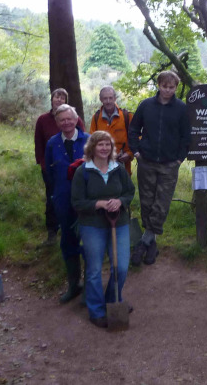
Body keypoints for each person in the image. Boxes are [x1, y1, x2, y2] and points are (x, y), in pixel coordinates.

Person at [71, 131, 135, 328]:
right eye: (100, 145)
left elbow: (129, 192)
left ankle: (111, 299)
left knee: (121, 267)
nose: (104, 148)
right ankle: (97, 311)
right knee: (94, 270)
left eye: (108, 144)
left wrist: (120, 201)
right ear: (92, 147)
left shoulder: (119, 169)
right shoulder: (83, 171)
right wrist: (99, 204)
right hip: (93, 226)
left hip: (120, 223)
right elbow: (77, 202)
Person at [128, 70, 191, 266]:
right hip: (146, 161)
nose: (168, 90)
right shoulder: (146, 105)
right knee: (147, 202)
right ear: (158, 85)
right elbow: (133, 129)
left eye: (171, 87)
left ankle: (144, 242)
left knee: (161, 204)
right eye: (164, 86)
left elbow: (186, 136)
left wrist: (180, 159)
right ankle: (151, 244)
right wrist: (136, 151)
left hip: (169, 164)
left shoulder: (181, 109)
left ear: (176, 87)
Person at [45, 104, 90, 303]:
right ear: (57, 122)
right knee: (68, 241)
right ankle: (74, 285)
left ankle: (91, 288)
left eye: (69, 119)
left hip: (88, 201)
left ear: (76, 119)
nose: (66, 122)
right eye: (61, 119)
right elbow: (49, 173)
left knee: (90, 242)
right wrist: (54, 196)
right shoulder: (52, 143)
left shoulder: (89, 140)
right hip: (63, 200)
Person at [34, 88, 85, 245]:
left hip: (78, 169)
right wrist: (42, 163)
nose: (59, 99)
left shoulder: (77, 121)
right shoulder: (43, 120)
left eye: (63, 97)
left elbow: (83, 141)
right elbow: (39, 143)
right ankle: (53, 232)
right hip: (53, 167)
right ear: (52, 99)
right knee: (53, 199)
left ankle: (81, 232)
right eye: (57, 96)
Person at [89, 86, 134, 175]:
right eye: (105, 98)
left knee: (124, 188)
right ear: (101, 99)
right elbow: (92, 141)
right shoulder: (96, 118)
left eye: (110, 98)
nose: (108, 101)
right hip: (102, 164)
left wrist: (129, 154)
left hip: (123, 164)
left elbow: (136, 138)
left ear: (115, 98)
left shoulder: (126, 116)